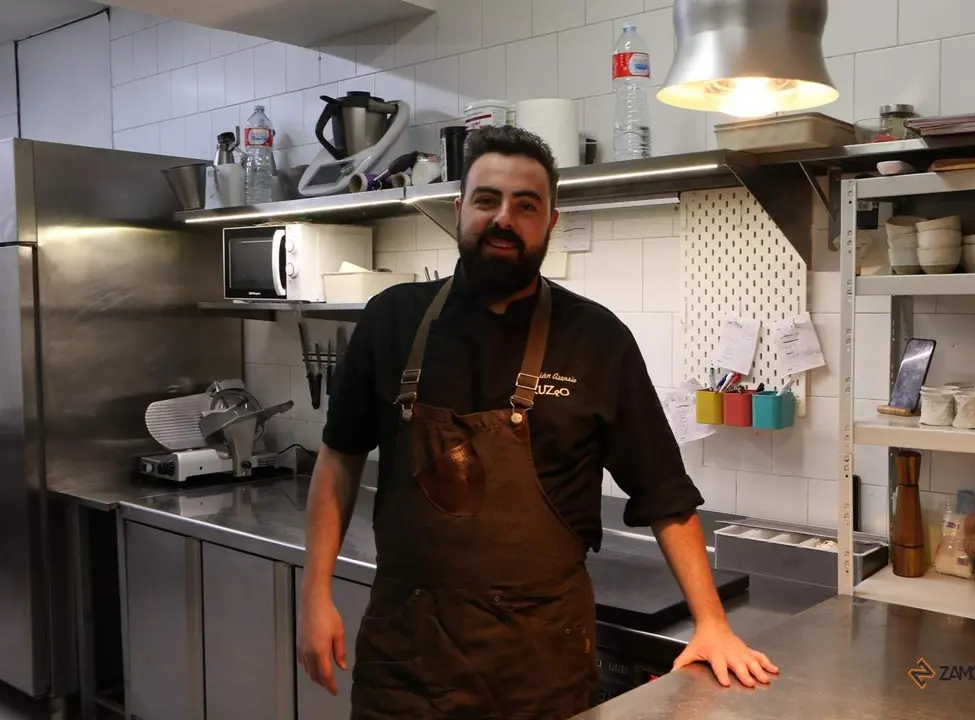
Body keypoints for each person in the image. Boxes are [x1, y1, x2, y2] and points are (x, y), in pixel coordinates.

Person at [298, 125, 778, 719]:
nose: (504, 218)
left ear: (550, 222)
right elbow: (339, 458)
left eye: (526, 205)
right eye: (487, 200)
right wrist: (314, 594)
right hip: (406, 659)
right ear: (459, 210)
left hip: (541, 663)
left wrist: (711, 623)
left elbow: (663, 493)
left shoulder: (596, 338)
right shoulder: (391, 320)